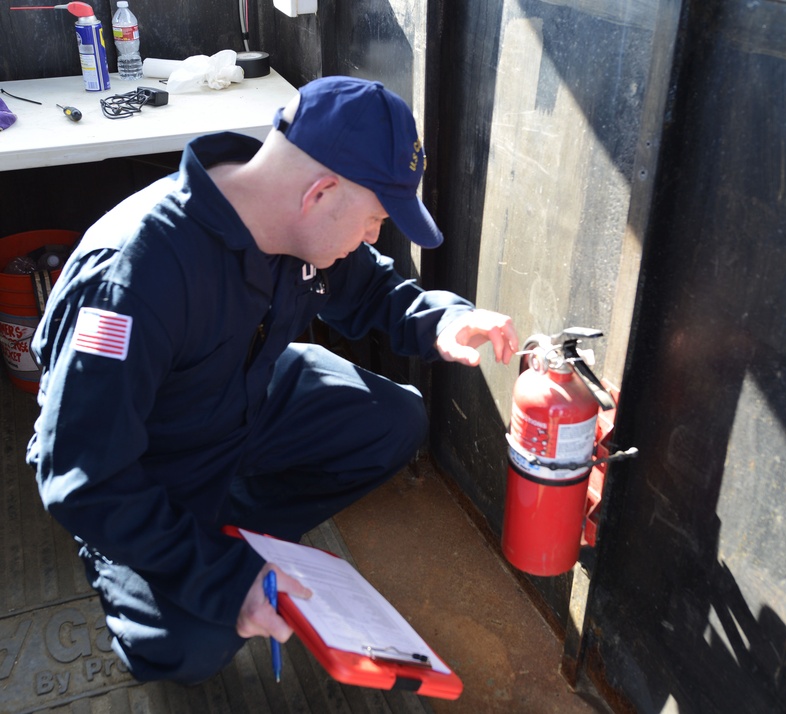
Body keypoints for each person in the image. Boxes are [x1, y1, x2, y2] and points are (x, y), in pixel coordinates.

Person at [25, 75, 518, 685]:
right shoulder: (134, 277)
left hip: (244, 394)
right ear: (320, 192)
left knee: (395, 421)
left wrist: (443, 319)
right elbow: (81, 470)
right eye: (373, 219)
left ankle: (233, 531)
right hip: (142, 458)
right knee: (193, 644)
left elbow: (370, 286)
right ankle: (153, 554)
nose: (372, 236)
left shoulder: (291, 218)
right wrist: (218, 581)